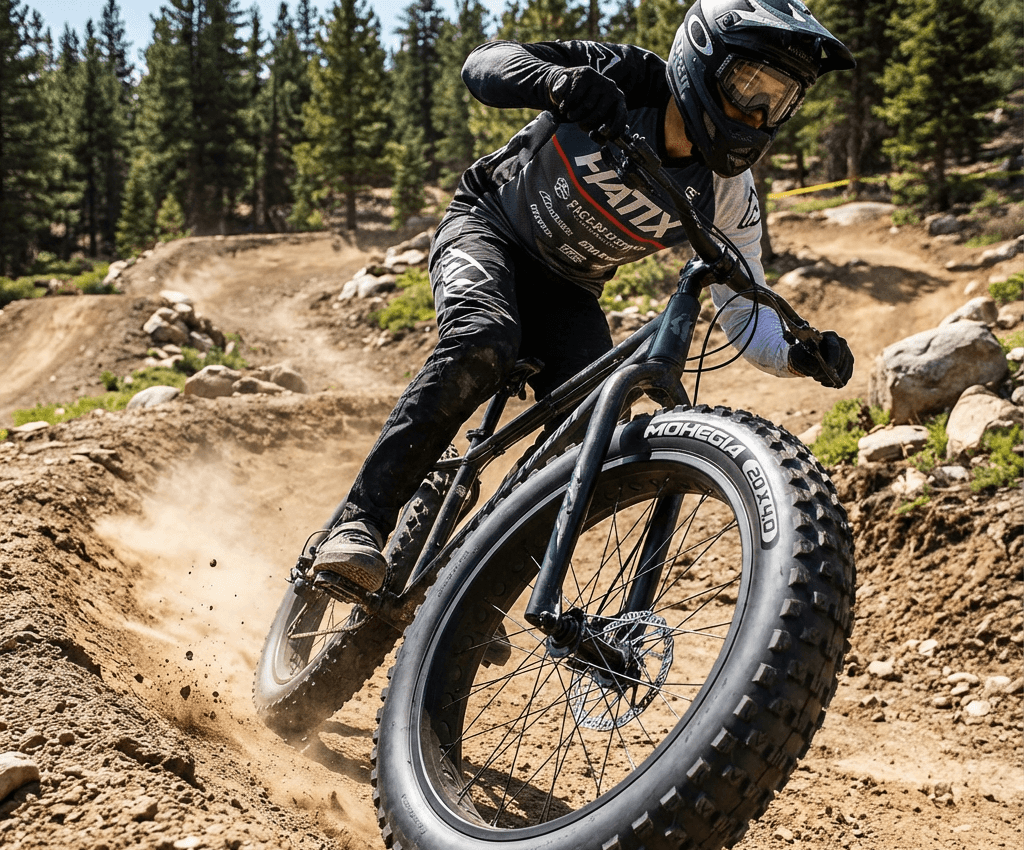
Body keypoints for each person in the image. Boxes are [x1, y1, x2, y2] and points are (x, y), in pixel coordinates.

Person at [314, 0, 856, 592]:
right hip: (490, 229)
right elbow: (483, 65)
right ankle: (359, 522)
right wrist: (555, 81)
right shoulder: (625, 77)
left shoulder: (727, 191)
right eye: (748, 87)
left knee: (595, 427)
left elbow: (745, 302)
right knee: (482, 341)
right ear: (702, 59)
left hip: (569, 290)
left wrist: (795, 354)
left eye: (778, 101)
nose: (757, 115)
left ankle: (467, 598)